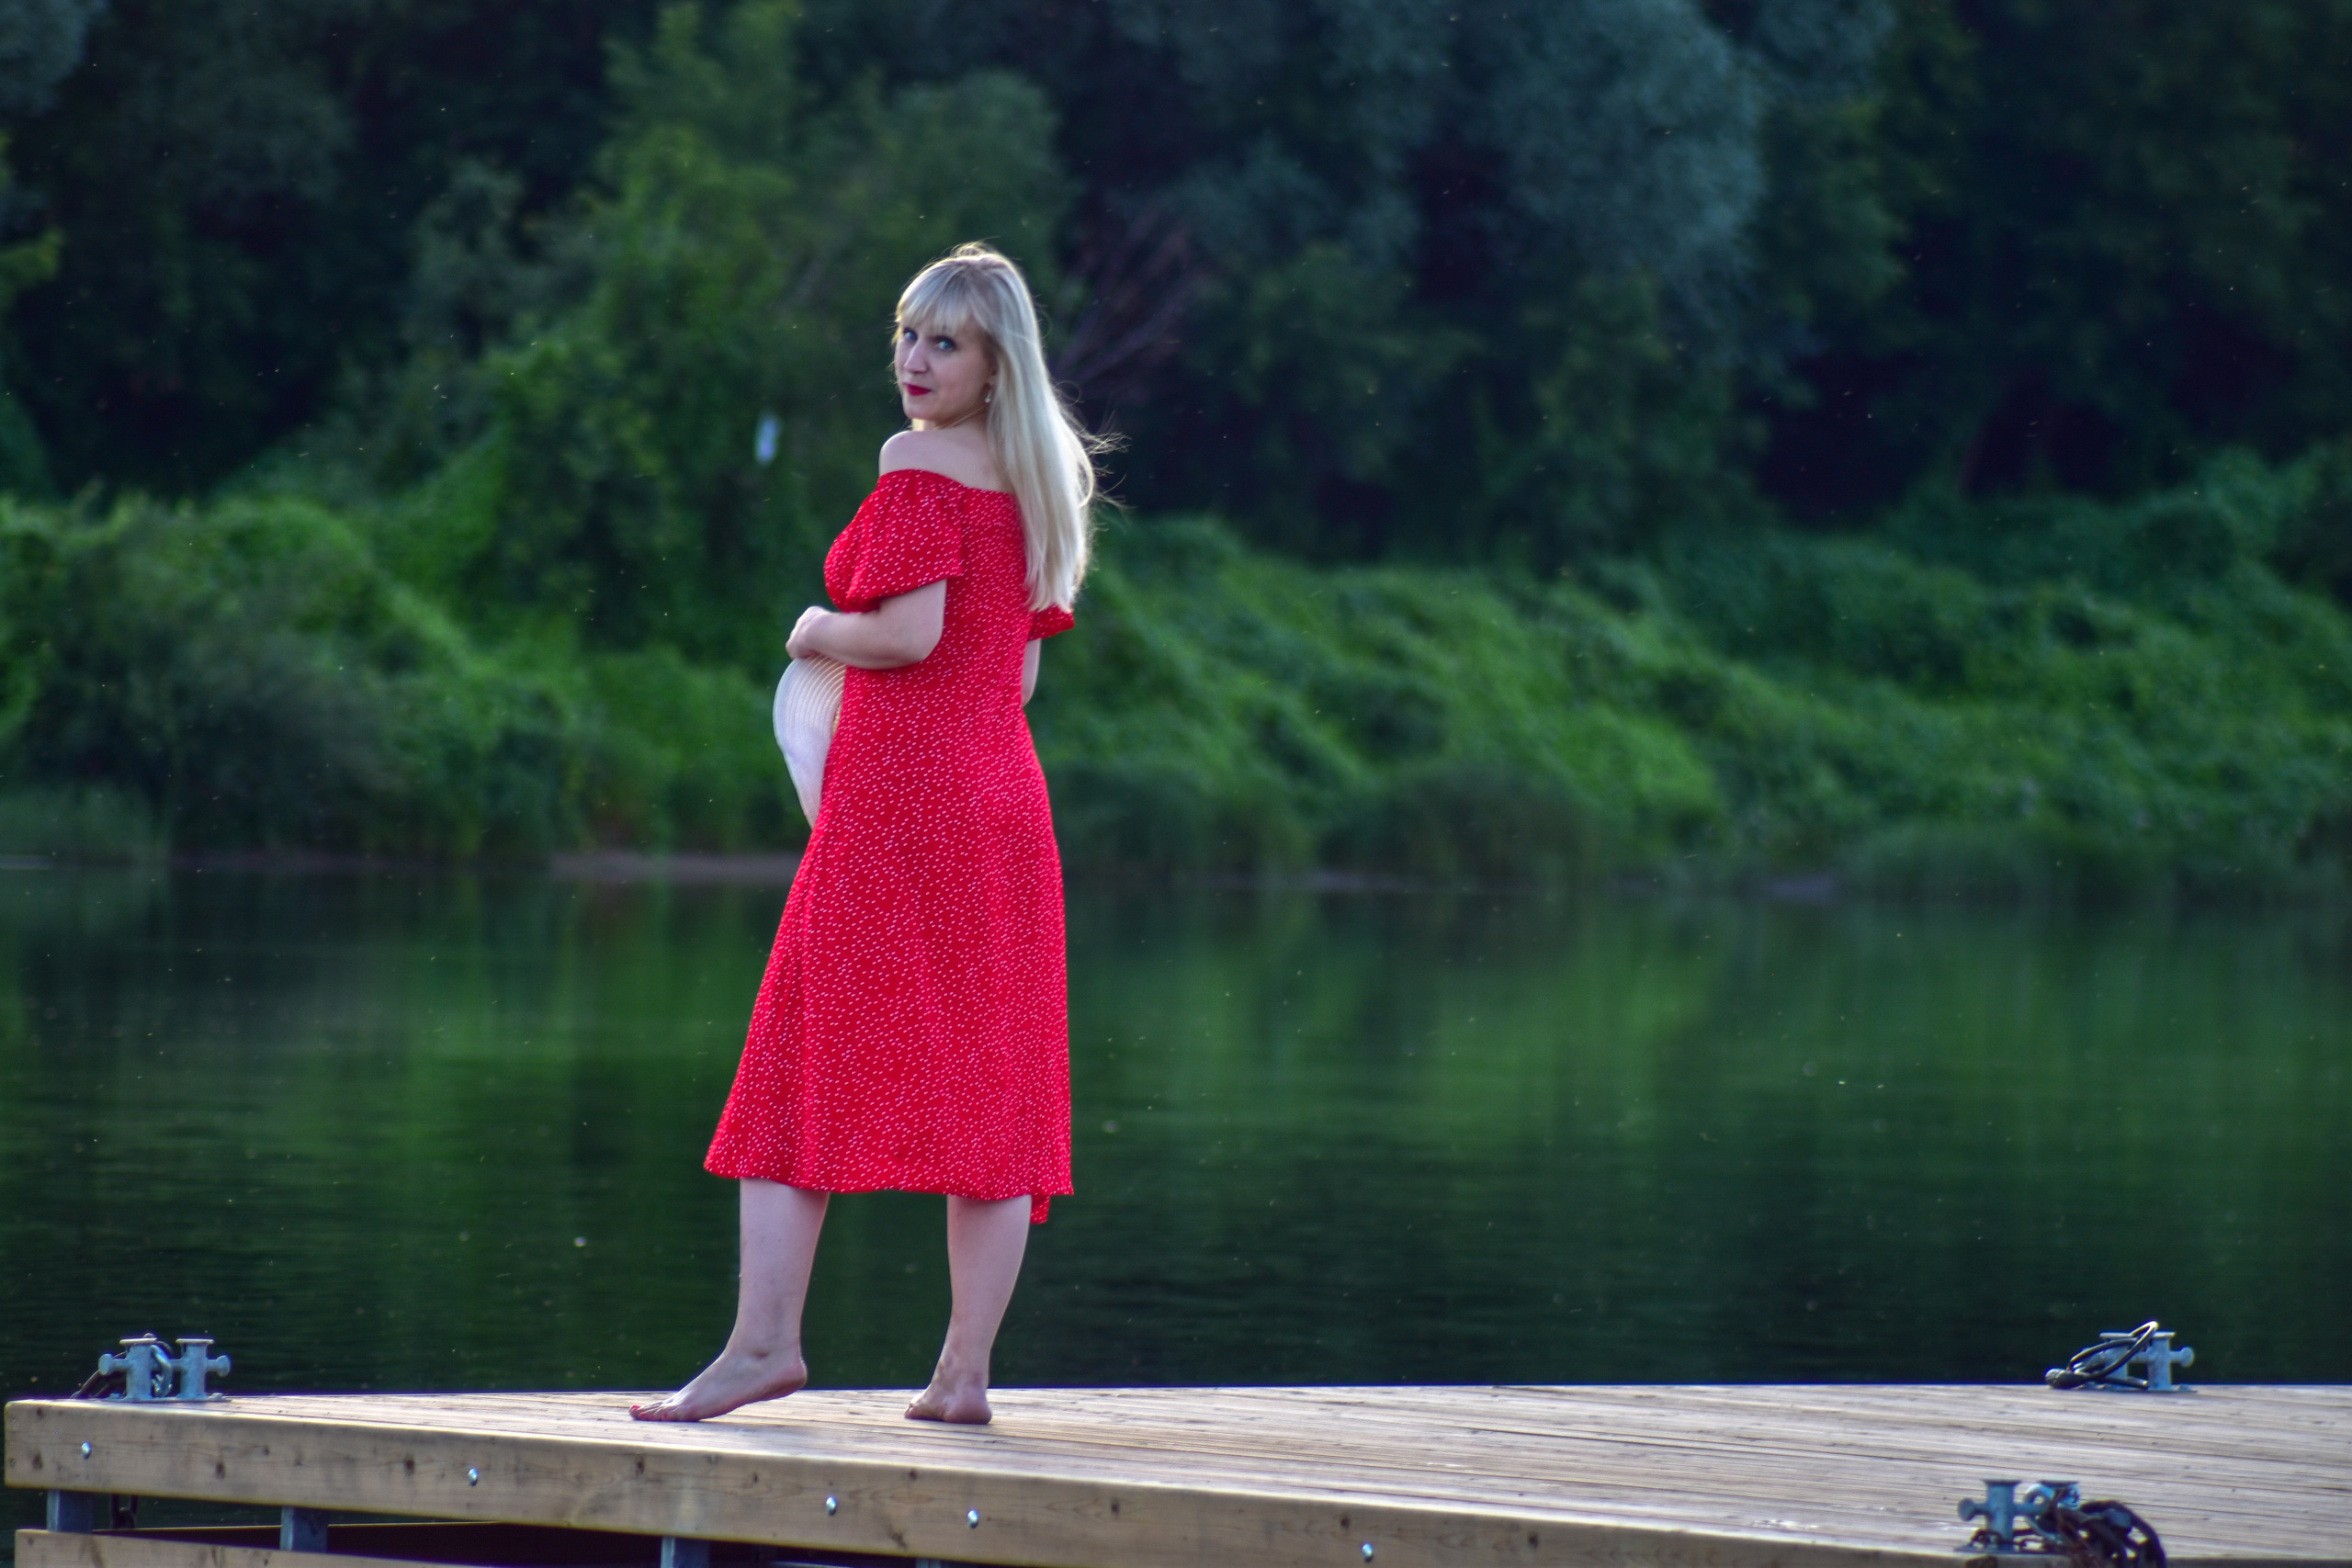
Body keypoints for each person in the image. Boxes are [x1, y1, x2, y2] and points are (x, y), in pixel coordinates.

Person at [631, 243, 1102, 1426]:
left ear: (996, 364)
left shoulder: (918, 465)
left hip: (901, 811)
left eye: (945, 342)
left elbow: (907, 638)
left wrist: (808, 630)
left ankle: (762, 1347)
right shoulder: (1037, 479)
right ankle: (961, 1379)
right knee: (996, 1094)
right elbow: (1019, 674)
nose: (914, 361)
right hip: (1004, 805)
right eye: (907, 336)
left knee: (797, 1061)